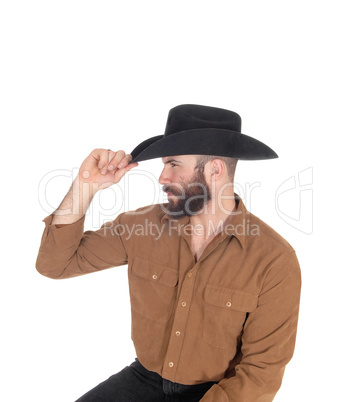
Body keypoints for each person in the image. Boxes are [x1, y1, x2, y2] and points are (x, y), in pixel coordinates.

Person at [36, 104, 301, 402]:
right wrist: (85, 188)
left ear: (215, 169)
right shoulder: (140, 226)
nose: (162, 177)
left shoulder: (274, 260)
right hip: (143, 379)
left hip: (217, 394)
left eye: (174, 165)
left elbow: (261, 374)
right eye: (164, 165)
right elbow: (55, 264)